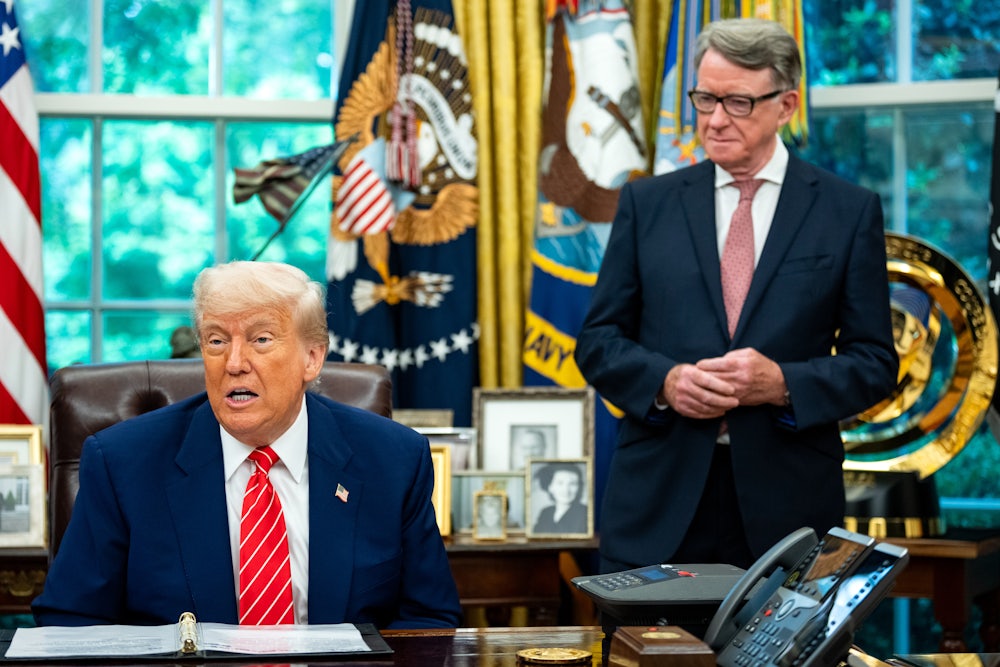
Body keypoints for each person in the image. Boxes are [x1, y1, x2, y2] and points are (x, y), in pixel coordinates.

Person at [574, 18, 898, 576]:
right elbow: (599, 343)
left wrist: (783, 385)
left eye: (738, 102)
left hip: (787, 513)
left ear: (787, 104)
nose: (715, 119)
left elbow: (874, 364)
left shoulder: (847, 212)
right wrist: (666, 383)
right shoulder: (646, 204)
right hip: (659, 503)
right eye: (704, 98)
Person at [33, 261, 462, 629]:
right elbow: (69, 622)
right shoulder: (123, 464)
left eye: (261, 339)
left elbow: (429, 621)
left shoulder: (393, 460)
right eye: (217, 340)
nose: (234, 363)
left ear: (311, 358)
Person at [531, 462, 588, 535]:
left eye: (573, 484)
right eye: (560, 483)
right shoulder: (546, 513)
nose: (566, 490)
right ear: (550, 487)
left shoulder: (585, 513)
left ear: (579, 487)